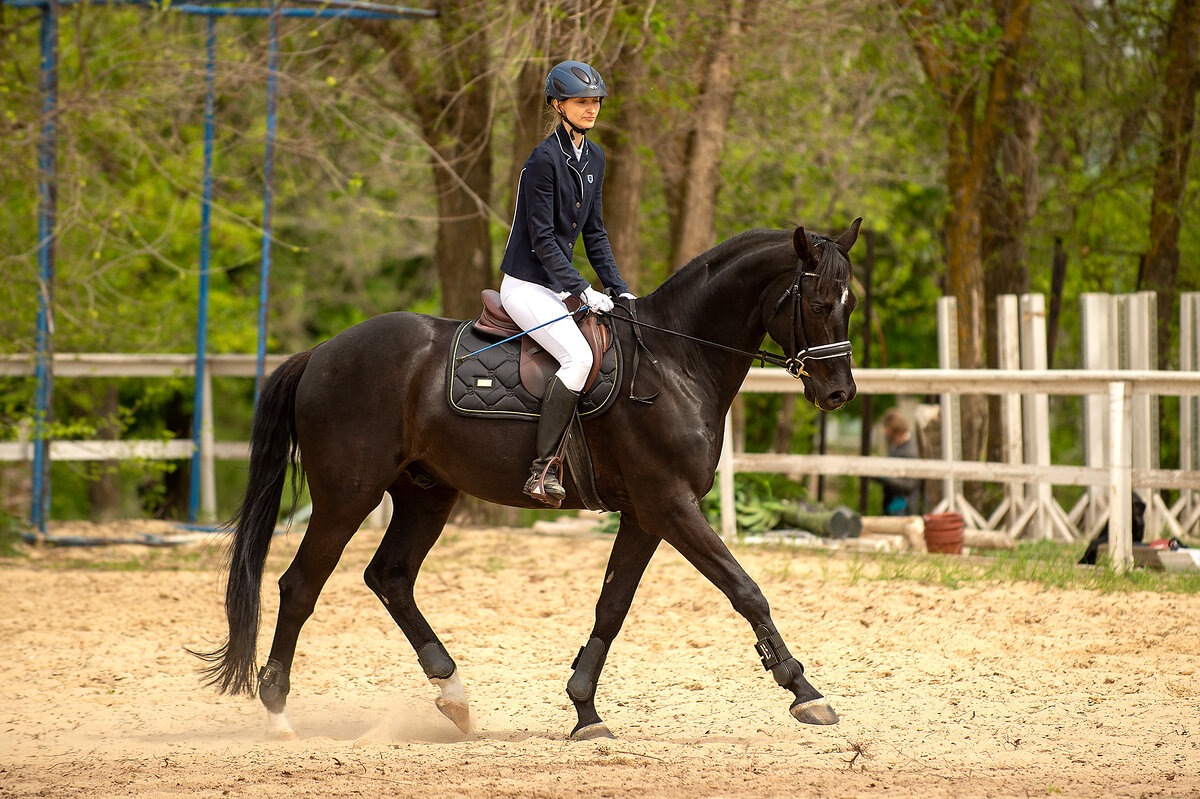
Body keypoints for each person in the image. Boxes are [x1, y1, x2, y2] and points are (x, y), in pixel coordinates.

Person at [498, 60, 634, 507]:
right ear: (558, 105)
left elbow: (594, 232)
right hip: (527, 285)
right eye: (582, 102)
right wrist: (581, 288)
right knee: (576, 358)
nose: (592, 109)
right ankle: (542, 470)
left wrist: (618, 287)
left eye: (595, 101)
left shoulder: (595, 157)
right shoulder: (542, 160)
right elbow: (540, 238)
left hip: (559, 286)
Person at [876, 408, 921, 516]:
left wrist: (885, 476)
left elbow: (910, 484)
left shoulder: (912, 451)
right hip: (891, 503)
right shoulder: (896, 446)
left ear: (898, 432)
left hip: (905, 507)